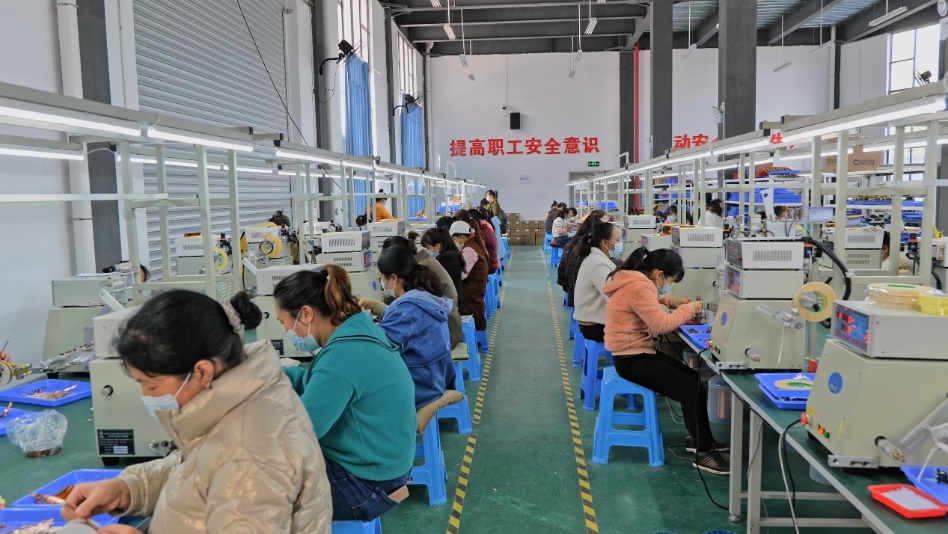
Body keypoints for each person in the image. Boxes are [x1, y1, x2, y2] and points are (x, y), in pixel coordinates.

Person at [62, 291, 331, 533]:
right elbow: (200, 469)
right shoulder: (238, 399)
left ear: (202, 371)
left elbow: (232, 468)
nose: (146, 396)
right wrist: (129, 489)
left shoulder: (251, 455)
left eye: (152, 385)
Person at [273, 267, 416, 522]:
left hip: (368, 485)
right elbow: (316, 384)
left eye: (283, 322)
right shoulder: (357, 330)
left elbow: (299, 434)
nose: (286, 331)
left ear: (305, 314)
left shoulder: (341, 357)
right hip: (386, 465)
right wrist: (273, 374)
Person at [603, 248, 729, 475]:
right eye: (670, 281)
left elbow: (643, 305)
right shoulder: (640, 286)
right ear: (659, 274)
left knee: (692, 379)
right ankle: (703, 453)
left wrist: (670, 302)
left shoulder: (632, 279)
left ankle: (699, 439)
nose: (668, 284)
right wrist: (688, 309)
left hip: (633, 353)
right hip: (632, 359)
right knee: (690, 390)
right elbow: (661, 325)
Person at [360, 246, 456, 409]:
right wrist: (377, 306)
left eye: (382, 279)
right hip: (436, 378)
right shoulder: (426, 294)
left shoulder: (404, 311)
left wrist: (361, 319)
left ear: (394, 278)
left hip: (419, 389)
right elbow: (412, 319)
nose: (382, 284)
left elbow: (378, 352)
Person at [383, 233, 463, 348]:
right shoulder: (424, 261)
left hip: (446, 333)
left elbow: (410, 309)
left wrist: (382, 304)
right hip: (448, 325)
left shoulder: (421, 269)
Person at [574, 223, 623, 342]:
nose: (620, 243)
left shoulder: (597, 258)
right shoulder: (598, 264)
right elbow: (613, 298)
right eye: (617, 240)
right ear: (605, 243)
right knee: (643, 332)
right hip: (594, 326)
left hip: (594, 320)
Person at [450, 220, 489, 338]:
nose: (455, 242)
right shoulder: (474, 244)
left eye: (455, 239)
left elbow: (462, 275)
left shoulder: (469, 250)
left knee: (451, 297)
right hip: (476, 286)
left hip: (471, 290)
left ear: (461, 237)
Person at [558, 209, 607, 294]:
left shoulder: (583, 235)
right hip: (573, 281)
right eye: (605, 219)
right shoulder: (588, 240)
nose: (607, 221)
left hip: (565, 277)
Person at [421, 227, 468, 315]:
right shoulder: (451, 253)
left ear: (437, 246)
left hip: (452, 303)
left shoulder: (448, 258)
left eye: (428, 248)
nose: (428, 251)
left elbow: (435, 276)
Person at [457, 209, 499, 274]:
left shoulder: (481, 234)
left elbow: (463, 274)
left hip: (490, 265)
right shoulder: (484, 228)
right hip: (492, 262)